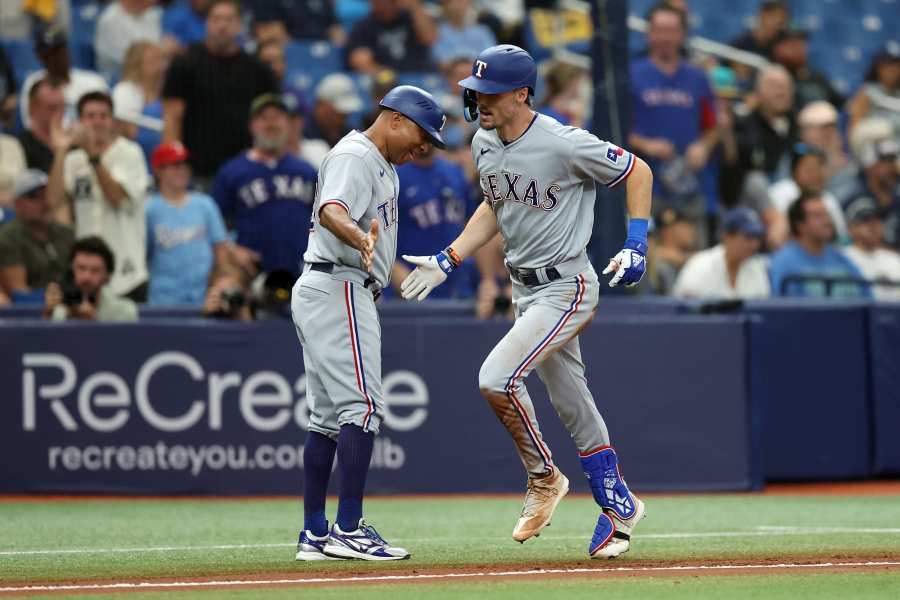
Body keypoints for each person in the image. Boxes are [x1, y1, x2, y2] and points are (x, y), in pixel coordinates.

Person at [401, 45, 652, 559]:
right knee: (570, 400)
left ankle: (544, 478)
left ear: (521, 93)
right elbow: (496, 203)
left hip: (568, 284)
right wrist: (450, 258)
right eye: (476, 92)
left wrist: (637, 241)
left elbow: (638, 171)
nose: (481, 101)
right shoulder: (483, 141)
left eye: (491, 93)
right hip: (525, 287)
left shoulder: (563, 142)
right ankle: (618, 507)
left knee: (495, 378)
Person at [292, 85, 447, 561]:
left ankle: (316, 533)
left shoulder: (381, 164)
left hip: (333, 284)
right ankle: (349, 528)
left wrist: (392, 269)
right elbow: (331, 210)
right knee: (362, 408)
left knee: (328, 418)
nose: (424, 148)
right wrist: (360, 238)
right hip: (339, 285)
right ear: (396, 118)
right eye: (422, 135)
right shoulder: (357, 155)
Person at [47, 91, 151, 301]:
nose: (97, 122)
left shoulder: (130, 153)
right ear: (80, 121)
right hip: (86, 275)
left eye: (103, 116)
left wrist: (92, 155)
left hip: (126, 273)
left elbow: (116, 197)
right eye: (90, 116)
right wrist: (60, 151)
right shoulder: (74, 159)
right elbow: (53, 201)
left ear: (112, 121)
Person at [162, 0, 279, 182]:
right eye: (216, 19)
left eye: (229, 20)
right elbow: (172, 118)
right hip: (196, 170)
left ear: (240, 25)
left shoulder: (258, 70)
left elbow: (273, 118)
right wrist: (172, 164)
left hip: (245, 170)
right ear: (207, 23)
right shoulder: (184, 64)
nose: (222, 26)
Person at [629, 3, 717, 229]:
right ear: (649, 34)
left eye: (672, 31)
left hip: (688, 185)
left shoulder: (698, 78)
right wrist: (646, 144)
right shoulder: (631, 75)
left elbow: (712, 126)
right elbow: (612, 129)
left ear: (682, 34)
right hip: (643, 185)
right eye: (659, 30)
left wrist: (703, 147)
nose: (665, 37)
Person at [213, 94, 318, 279]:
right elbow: (214, 223)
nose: (271, 124)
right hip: (251, 274)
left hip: (303, 273)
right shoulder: (232, 172)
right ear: (252, 126)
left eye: (278, 117)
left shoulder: (306, 172)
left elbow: (324, 221)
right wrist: (231, 249)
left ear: (288, 125)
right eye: (264, 118)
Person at [392, 143, 479, 298]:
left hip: (458, 282)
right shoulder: (395, 178)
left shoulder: (454, 173)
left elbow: (474, 224)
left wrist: (487, 279)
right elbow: (378, 235)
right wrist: (393, 269)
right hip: (412, 281)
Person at [146, 141, 229, 306]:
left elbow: (221, 252)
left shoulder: (205, 204)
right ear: (158, 170)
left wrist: (219, 286)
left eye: (185, 165)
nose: (182, 170)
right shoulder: (149, 209)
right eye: (175, 165)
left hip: (204, 299)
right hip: (163, 300)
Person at [769, 193, 867, 298]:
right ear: (800, 225)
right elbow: (785, 309)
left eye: (827, 214)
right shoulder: (784, 263)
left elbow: (867, 298)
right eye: (817, 216)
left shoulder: (842, 260)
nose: (827, 221)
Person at [0, 170, 74, 300]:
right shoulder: (8, 238)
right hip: (32, 313)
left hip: (72, 307)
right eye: (34, 196)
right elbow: (19, 292)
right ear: (17, 203)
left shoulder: (67, 233)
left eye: (46, 194)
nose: (44, 201)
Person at [20, 26, 108, 129]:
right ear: (40, 56)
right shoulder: (34, 83)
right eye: (51, 53)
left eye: (60, 50)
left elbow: (106, 120)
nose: (57, 57)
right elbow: (30, 123)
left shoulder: (93, 81)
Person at [673, 207, 770, 299]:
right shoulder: (700, 266)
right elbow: (684, 311)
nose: (754, 245)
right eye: (748, 237)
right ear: (728, 236)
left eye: (758, 237)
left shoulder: (757, 268)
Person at [726, 64, 797, 185]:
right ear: (758, 91)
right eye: (774, 86)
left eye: (786, 87)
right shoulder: (744, 123)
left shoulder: (797, 123)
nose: (781, 92)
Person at [44, 235, 139, 322]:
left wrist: (94, 320)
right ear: (72, 269)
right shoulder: (60, 312)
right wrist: (49, 315)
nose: (87, 277)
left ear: (107, 275)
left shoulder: (125, 311)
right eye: (81, 268)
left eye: (95, 270)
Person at [769, 144, 847, 243]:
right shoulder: (781, 192)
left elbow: (842, 236)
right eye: (809, 169)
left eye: (819, 168)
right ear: (794, 172)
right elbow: (778, 236)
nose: (815, 174)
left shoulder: (828, 198)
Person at [839, 139, 900, 250]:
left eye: (893, 161)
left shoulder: (897, 200)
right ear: (869, 167)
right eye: (886, 162)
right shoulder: (855, 202)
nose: (892, 167)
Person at [346, 0, 437, 74]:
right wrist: (387, 76)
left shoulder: (411, 18)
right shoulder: (364, 27)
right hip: (385, 80)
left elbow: (430, 39)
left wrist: (415, 7)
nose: (384, 5)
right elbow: (360, 60)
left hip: (419, 75)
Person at [113, 41, 167, 163]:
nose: (161, 65)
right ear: (137, 63)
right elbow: (130, 133)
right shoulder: (125, 90)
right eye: (154, 60)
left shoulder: (165, 89)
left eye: (161, 59)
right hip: (138, 155)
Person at [769, 25, 843, 113]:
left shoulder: (816, 77)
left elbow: (842, 104)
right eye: (793, 44)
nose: (799, 49)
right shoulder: (767, 78)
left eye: (802, 44)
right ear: (778, 48)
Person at [842, 195, 900, 301]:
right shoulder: (843, 258)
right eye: (866, 220)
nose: (874, 225)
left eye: (878, 219)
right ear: (850, 228)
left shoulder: (895, 259)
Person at [94, 0, 163, 78]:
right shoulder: (110, 20)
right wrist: (163, 51)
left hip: (151, 71)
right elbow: (131, 60)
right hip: (120, 76)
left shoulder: (152, 13)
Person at [847, 45, 900, 136]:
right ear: (878, 67)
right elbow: (855, 132)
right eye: (887, 65)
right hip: (875, 145)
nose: (892, 69)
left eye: (896, 65)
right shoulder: (866, 93)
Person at [18, 79, 66, 174]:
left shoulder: (74, 145)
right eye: (52, 108)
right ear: (32, 108)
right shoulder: (19, 147)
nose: (59, 113)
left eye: (62, 107)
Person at [648, 206, 697, 295]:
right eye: (686, 226)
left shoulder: (687, 259)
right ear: (669, 231)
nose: (692, 231)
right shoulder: (659, 264)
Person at [305, 74, 365, 148]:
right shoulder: (300, 131)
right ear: (322, 104)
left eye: (345, 114)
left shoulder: (351, 136)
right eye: (338, 113)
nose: (343, 118)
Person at [432, 0, 496, 68]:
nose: (459, 5)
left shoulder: (483, 31)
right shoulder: (436, 32)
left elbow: (492, 61)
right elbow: (442, 65)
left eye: (462, 1)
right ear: (444, 5)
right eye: (454, 1)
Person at [797, 101, 848, 183]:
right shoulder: (795, 156)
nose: (825, 133)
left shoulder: (842, 156)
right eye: (820, 128)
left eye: (830, 127)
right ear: (803, 132)